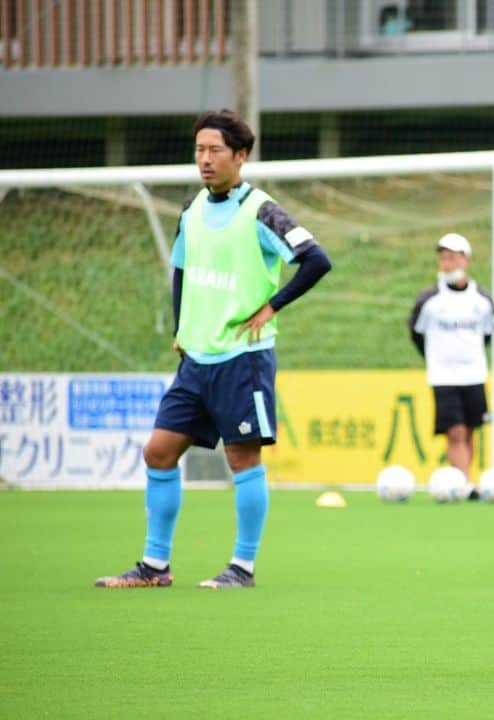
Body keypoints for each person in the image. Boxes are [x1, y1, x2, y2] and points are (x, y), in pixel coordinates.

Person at [95, 109, 332, 589]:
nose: (204, 159)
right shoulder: (191, 209)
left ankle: (242, 567)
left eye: (215, 151)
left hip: (242, 359)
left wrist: (272, 307)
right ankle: (154, 567)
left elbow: (315, 260)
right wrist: (183, 327)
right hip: (195, 359)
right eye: (199, 150)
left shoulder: (262, 210)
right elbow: (181, 268)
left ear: (240, 156)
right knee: (159, 453)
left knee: (242, 461)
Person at [409, 233, 494, 497]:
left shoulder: (482, 300)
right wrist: (437, 358)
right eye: (443, 258)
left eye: (452, 257)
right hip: (444, 376)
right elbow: (416, 333)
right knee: (455, 431)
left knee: (469, 430)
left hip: (474, 374)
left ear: (466, 260)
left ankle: (463, 481)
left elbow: (488, 334)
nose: (447, 263)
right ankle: (464, 485)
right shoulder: (429, 301)